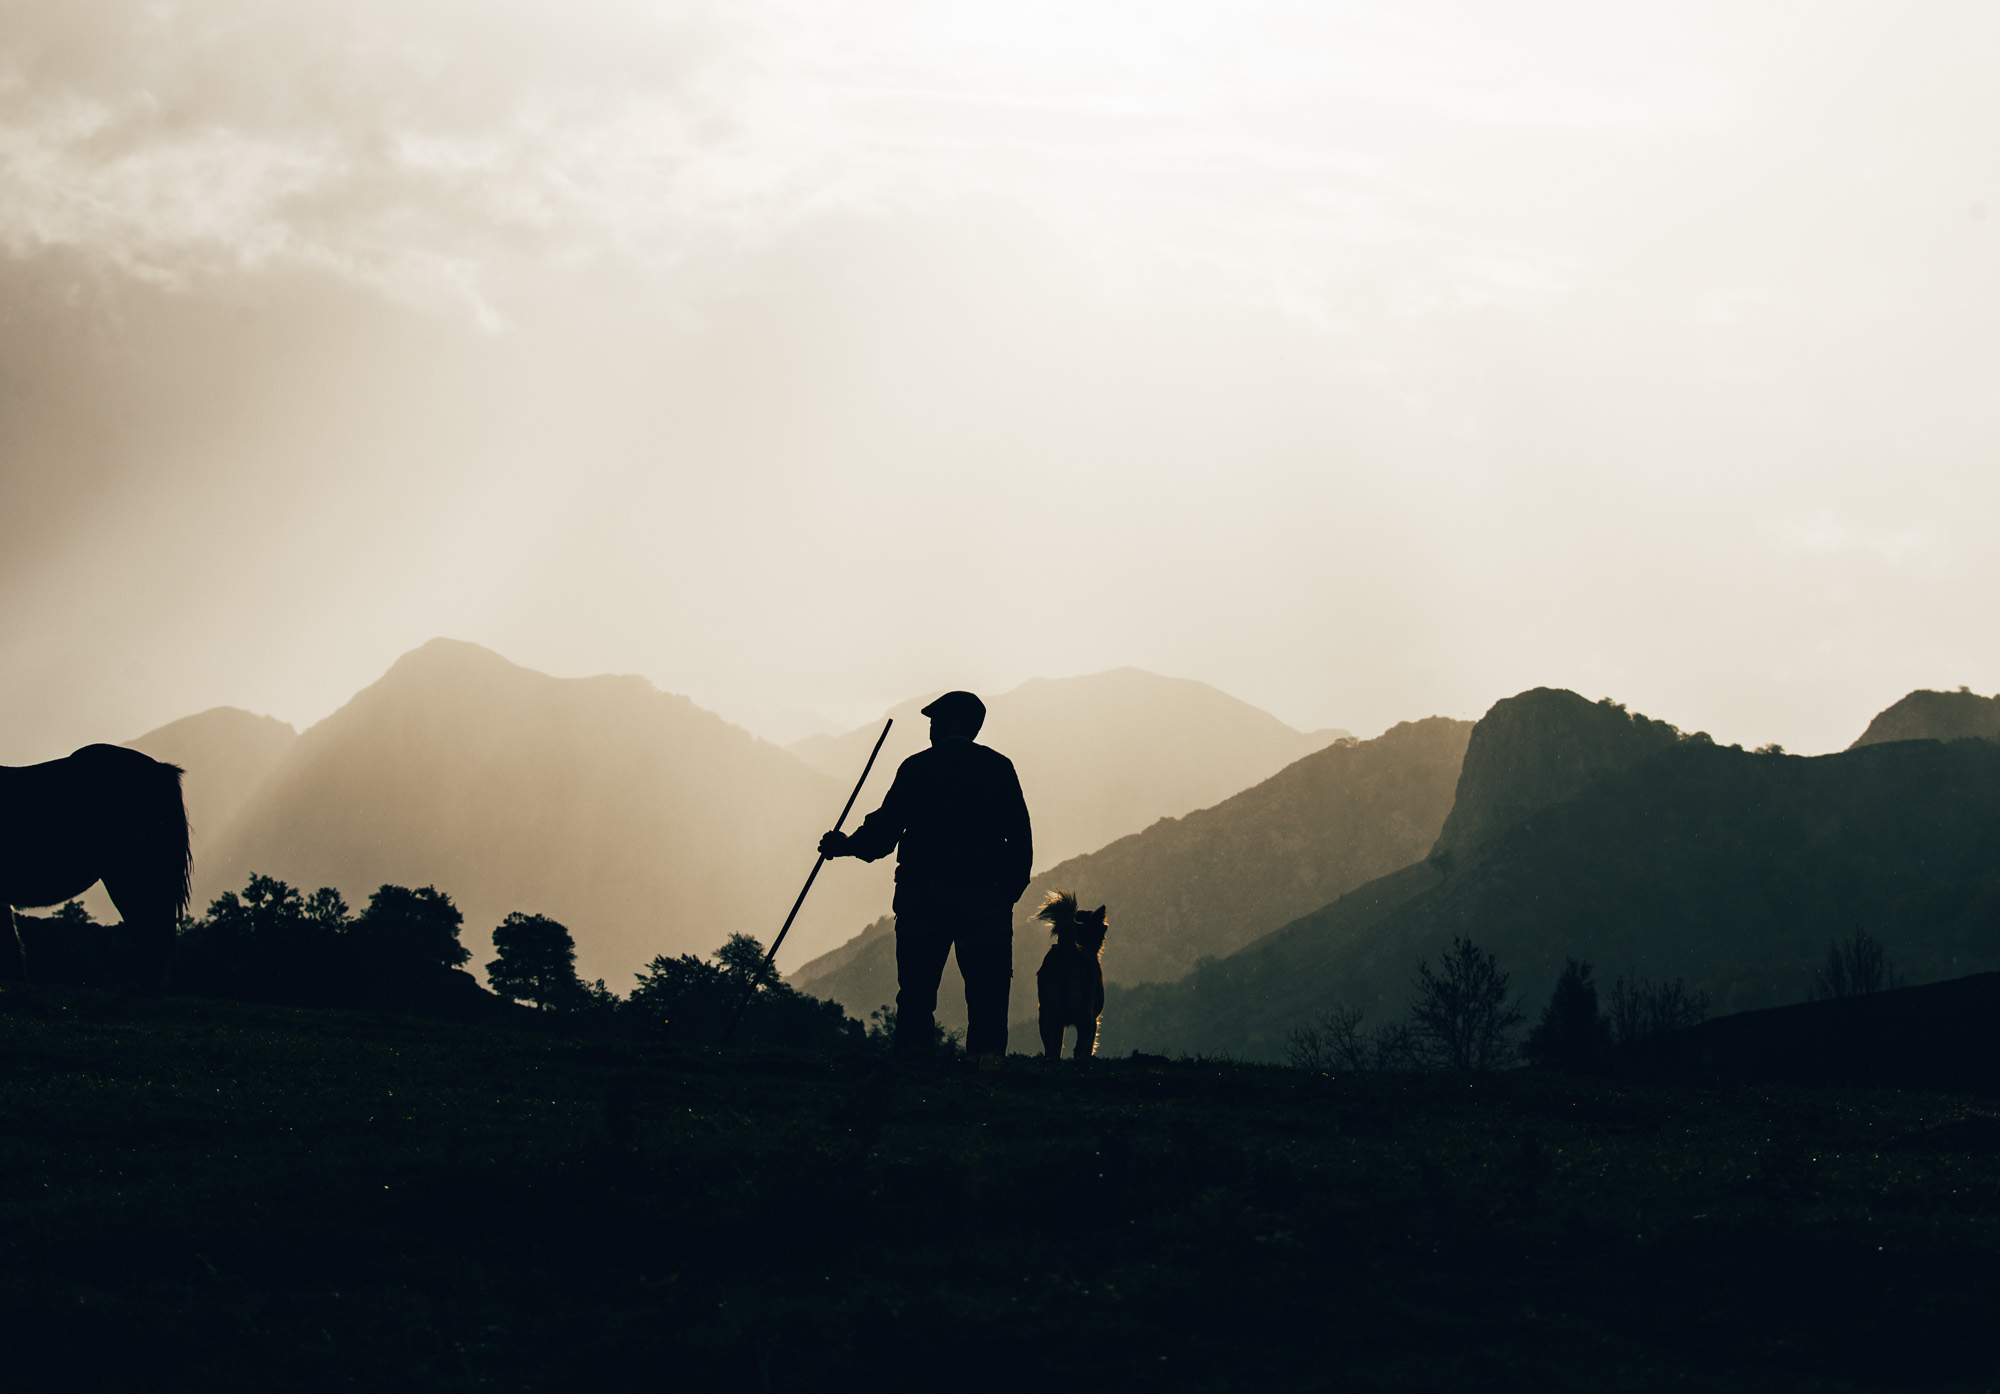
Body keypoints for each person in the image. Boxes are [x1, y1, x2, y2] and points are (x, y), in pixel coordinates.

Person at [819, 690, 1032, 1059]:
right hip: (985, 903)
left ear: (952, 722)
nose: (931, 727)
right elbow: (1021, 842)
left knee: (917, 995)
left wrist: (845, 845)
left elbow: (883, 834)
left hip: (923, 899)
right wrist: (1003, 896)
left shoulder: (917, 768)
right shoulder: (999, 768)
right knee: (988, 998)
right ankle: (986, 1079)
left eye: (935, 720)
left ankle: (913, 1077)